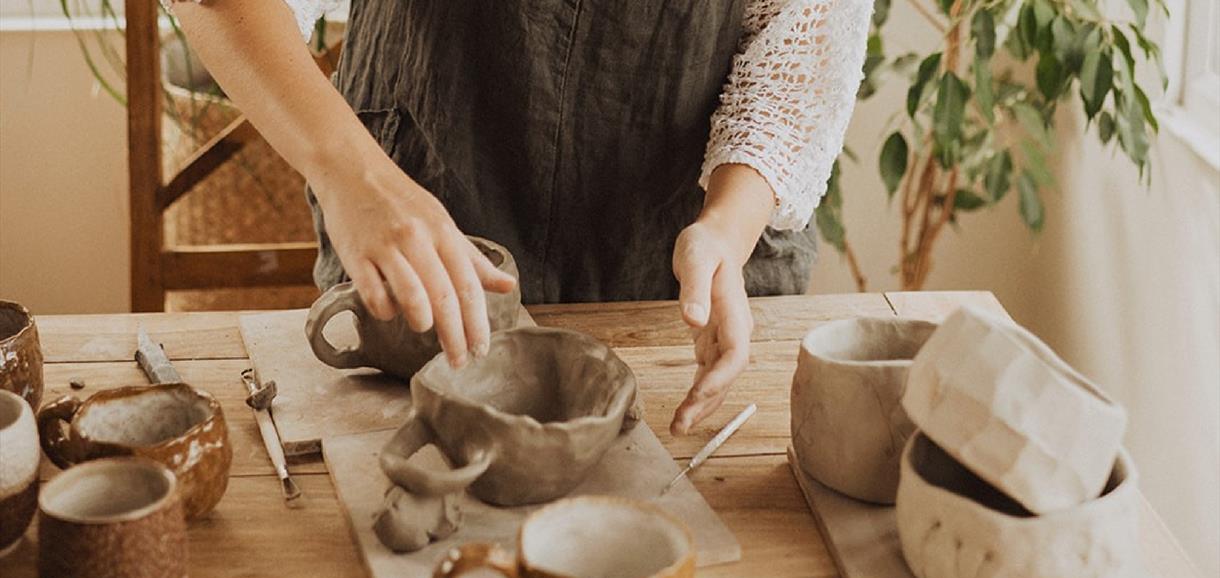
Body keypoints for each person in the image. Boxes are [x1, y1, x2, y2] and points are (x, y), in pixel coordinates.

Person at [168, 0, 869, 435]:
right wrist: (354, 177)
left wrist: (729, 222)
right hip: (426, 207)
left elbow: (801, 34)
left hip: (671, 260)